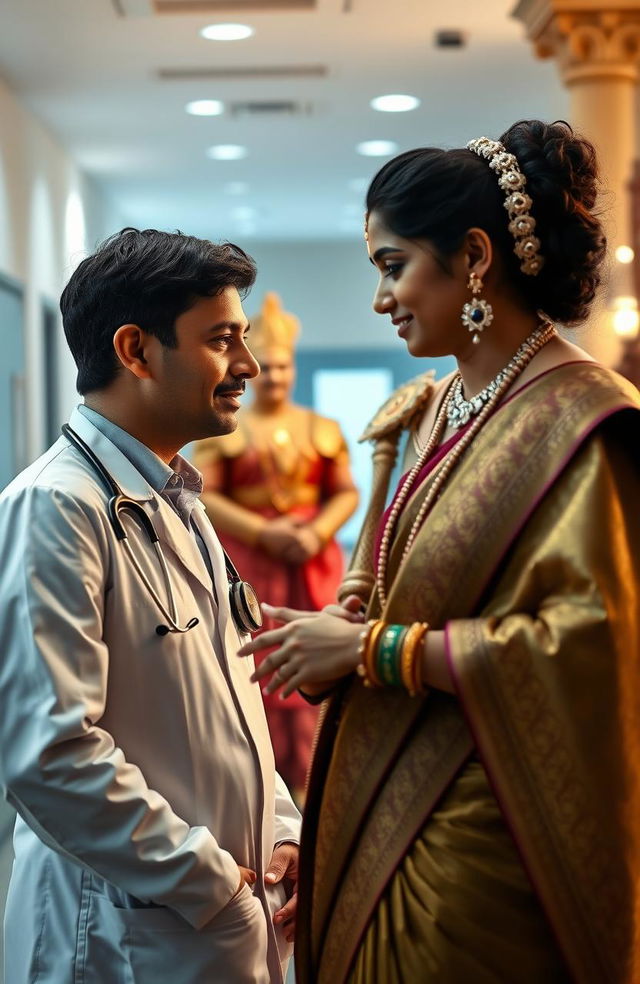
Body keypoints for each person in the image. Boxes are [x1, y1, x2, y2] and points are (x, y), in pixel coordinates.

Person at [238, 120, 640, 983]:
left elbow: (588, 643)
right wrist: (337, 634)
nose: (381, 300)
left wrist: (372, 650)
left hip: (487, 828)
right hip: (385, 789)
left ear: (474, 257)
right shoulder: (431, 407)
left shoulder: (585, 421)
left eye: (393, 267)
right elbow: (394, 585)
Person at [0, 228, 301, 984]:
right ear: (135, 350)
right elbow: (49, 756)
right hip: (122, 933)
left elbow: (228, 703)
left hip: (210, 917)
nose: (249, 366)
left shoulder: (174, 498)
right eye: (222, 339)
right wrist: (215, 886)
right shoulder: (56, 506)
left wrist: (282, 831)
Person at [193, 293, 358, 803]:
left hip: (312, 568)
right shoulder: (225, 428)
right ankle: (266, 792)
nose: (277, 376)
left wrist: (314, 531)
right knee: (255, 662)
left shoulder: (320, 427)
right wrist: (264, 533)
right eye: (270, 367)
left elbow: (346, 492)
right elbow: (207, 494)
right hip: (252, 566)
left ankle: (322, 787)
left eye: (286, 367)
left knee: (319, 661)